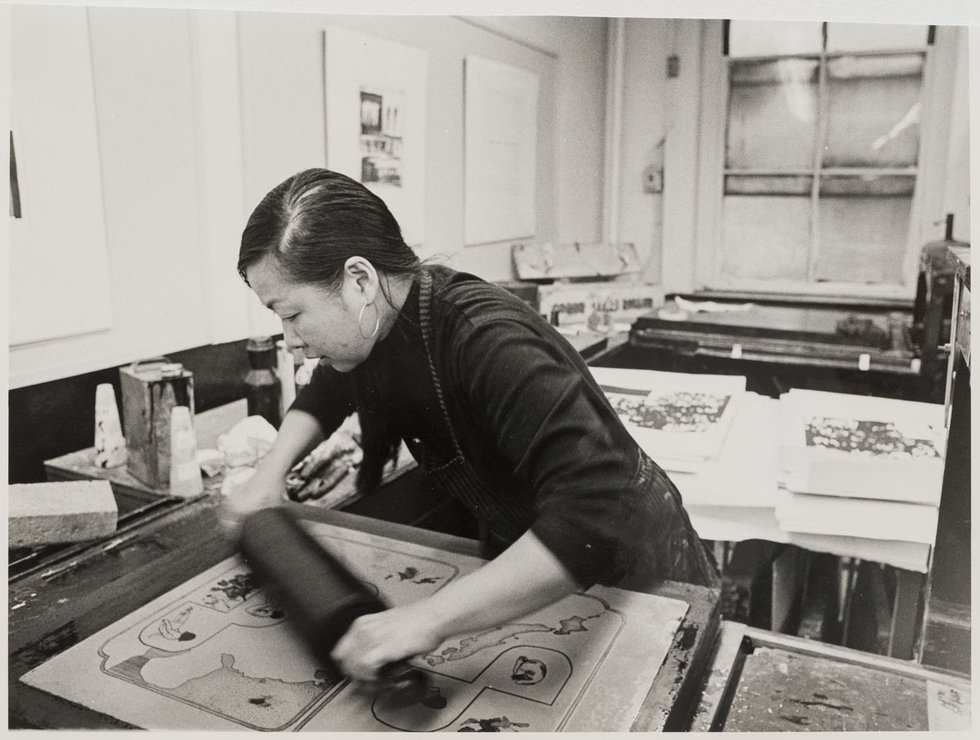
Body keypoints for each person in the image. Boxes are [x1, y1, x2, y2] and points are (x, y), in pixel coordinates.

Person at [224, 168, 719, 687]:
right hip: (547, 567)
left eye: (292, 313)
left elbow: (590, 515)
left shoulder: (488, 341)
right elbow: (329, 389)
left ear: (360, 280)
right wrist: (268, 476)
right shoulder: (380, 324)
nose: (289, 339)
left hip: (639, 575)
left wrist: (425, 620)